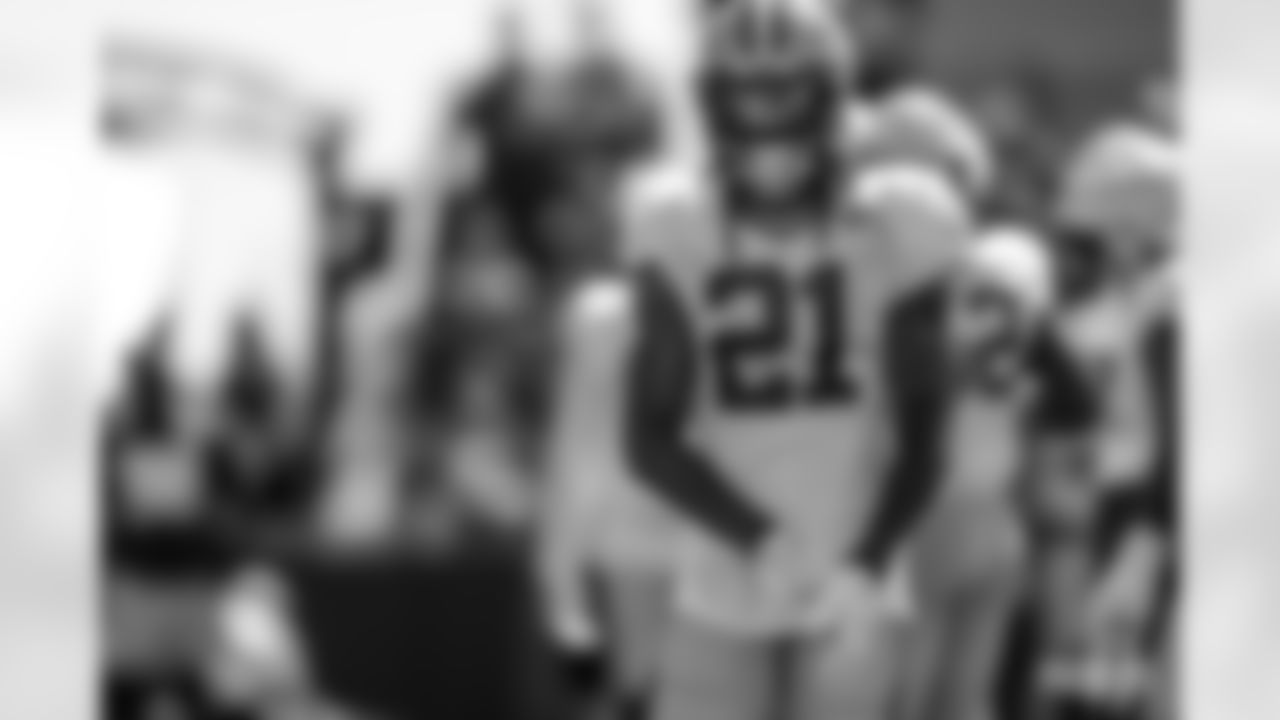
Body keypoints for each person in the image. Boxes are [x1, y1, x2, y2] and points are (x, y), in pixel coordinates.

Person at [619, 1, 962, 718]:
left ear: (830, 96)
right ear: (714, 103)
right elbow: (647, 437)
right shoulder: (677, 225)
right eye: (747, 92)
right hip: (722, 580)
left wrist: (868, 560)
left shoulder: (898, 222)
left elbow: (928, 429)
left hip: (853, 578)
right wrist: (759, 539)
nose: (766, 116)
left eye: (786, 89)